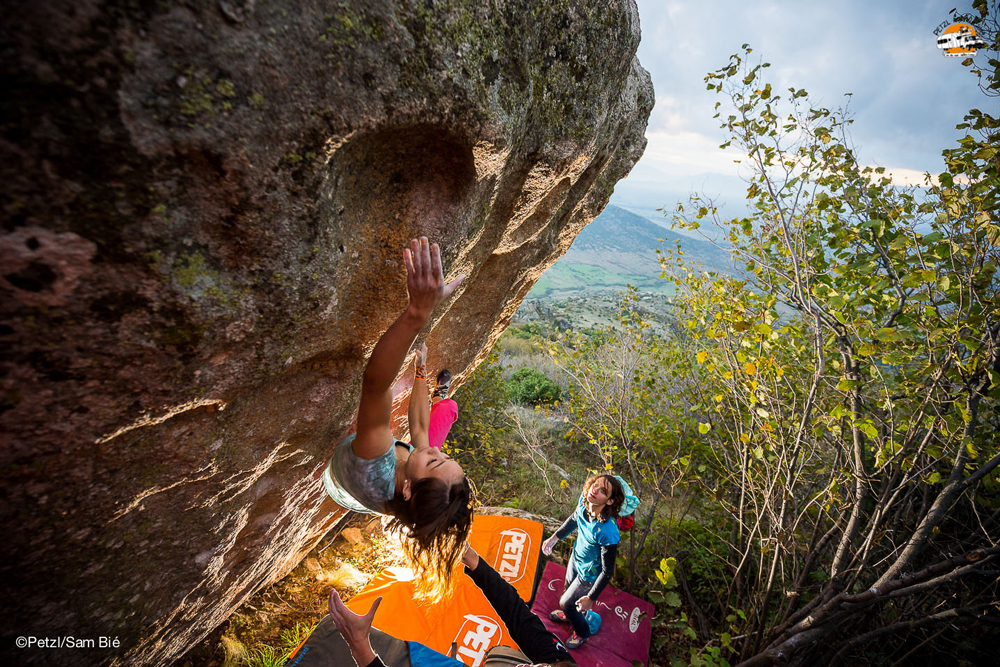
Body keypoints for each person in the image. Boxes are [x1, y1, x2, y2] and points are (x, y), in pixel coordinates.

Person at [321, 237, 471, 600]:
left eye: (437, 460)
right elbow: (420, 431)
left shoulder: (376, 466)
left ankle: (436, 396)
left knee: (408, 403)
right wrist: (420, 374)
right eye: (449, 457)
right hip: (369, 486)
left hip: (346, 471)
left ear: (406, 488)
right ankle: (434, 394)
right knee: (432, 430)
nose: (440, 453)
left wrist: (417, 314)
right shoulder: (417, 486)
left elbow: (374, 383)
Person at [327, 543, 576, 667]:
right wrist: (472, 559)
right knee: (502, 653)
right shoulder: (559, 662)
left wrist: (360, 646)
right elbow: (517, 614)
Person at [541, 474, 626, 649]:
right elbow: (574, 518)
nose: (595, 490)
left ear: (609, 501)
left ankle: (582, 632)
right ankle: (570, 615)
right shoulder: (585, 502)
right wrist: (555, 538)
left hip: (589, 574)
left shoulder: (607, 530)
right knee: (568, 590)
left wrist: (591, 598)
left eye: (603, 491)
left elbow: (607, 570)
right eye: (595, 485)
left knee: (566, 602)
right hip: (576, 560)